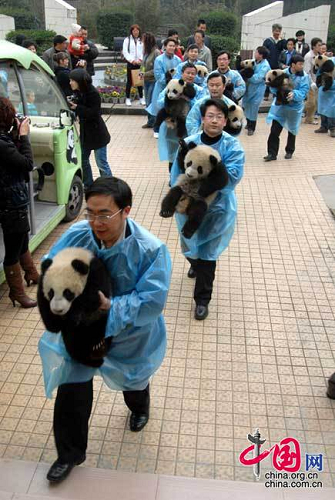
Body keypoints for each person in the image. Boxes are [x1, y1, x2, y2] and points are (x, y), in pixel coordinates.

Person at [39, 176, 171, 483]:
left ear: (126, 210)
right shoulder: (78, 234)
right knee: (72, 388)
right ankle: (69, 453)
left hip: (130, 334)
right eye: (90, 213)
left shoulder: (151, 249)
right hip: (83, 332)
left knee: (133, 380)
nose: (95, 222)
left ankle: (139, 407)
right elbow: (51, 264)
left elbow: (151, 302)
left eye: (104, 214)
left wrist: (110, 308)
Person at [170, 98, 244, 320]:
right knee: (189, 247)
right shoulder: (189, 143)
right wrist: (179, 198)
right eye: (210, 116)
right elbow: (177, 173)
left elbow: (231, 177)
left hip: (218, 209)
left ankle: (202, 300)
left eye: (219, 117)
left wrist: (206, 179)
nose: (214, 120)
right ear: (202, 119)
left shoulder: (232, 146)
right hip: (189, 207)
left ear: (225, 121)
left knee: (208, 255)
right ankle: (195, 263)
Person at [0, 97, 39, 308]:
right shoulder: (1, 143)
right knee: (13, 247)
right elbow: (27, 164)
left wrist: (15, 134)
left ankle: (31, 274)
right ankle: (17, 293)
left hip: (12, 198)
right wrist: (24, 136)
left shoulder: (3, 139)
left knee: (22, 236)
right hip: (10, 201)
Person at [157, 62, 204, 176]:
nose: (190, 76)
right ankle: (172, 177)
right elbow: (159, 102)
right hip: (173, 127)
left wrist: (188, 99)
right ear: (182, 73)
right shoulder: (173, 84)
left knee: (189, 153)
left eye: (193, 73)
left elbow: (202, 106)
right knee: (173, 154)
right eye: (187, 73)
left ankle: (185, 177)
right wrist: (172, 97)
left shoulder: (199, 89)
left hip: (191, 128)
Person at [68, 69, 112, 189]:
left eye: (72, 80)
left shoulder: (93, 93)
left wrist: (77, 107)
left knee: (101, 163)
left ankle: (109, 187)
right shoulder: (78, 92)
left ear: (80, 81)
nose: (70, 83)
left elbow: (94, 113)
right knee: (83, 160)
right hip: (85, 134)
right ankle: (88, 184)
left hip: (98, 134)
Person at [264, 54, 310, 161]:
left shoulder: (304, 76)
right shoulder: (282, 73)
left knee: (292, 130)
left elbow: (304, 92)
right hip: (280, 107)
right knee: (274, 130)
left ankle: (289, 150)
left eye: (302, 64)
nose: (302, 66)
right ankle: (272, 153)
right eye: (300, 64)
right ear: (293, 64)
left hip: (295, 107)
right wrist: (279, 92)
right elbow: (273, 87)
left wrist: (294, 94)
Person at [146, 37, 180, 139]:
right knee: (159, 108)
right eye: (170, 45)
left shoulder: (178, 59)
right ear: (165, 47)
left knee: (172, 109)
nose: (172, 47)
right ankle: (156, 129)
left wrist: (175, 85)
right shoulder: (159, 59)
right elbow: (158, 75)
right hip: (161, 87)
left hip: (174, 89)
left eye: (173, 46)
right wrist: (168, 82)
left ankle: (170, 129)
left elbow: (178, 74)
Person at [243, 46, 270, 135]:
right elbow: (246, 65)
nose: (255, 54)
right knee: (246, 105)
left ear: (261, 55)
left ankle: (252, 127)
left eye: (256, 52)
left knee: (254, 107)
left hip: (258, 89)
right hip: (249, 88)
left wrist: (248, 77)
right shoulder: (253, 61)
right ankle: (248, 122)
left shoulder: (265, 66)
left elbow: (258, 78)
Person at [122, 24, 145, 107]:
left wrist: (140, 60)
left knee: (140, 81)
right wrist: (132, 60)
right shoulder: (127, 40)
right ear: (131, 31)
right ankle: (127, 98)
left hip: (140, 64)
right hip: (131, 64)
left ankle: (141, 98)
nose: (136, 32)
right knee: (129, 81)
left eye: (137, 30)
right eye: (134, 30)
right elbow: (125, 52)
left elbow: (144, 51)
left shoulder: (141, 40)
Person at [141, 32, 161, 129]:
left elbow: (157, 68)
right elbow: (143, 64)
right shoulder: (146, 52)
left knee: (151, 102)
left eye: (143, 41)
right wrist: (141, 72)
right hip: (146, 80)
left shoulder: (156, 52)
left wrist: (146, 74)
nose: (142, 42)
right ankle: (150, 121)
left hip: (153, 81)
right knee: (147, 101)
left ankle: (153, 122)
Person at [263, 23, 287, 100]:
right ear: (272, 31)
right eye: (276, 31)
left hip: (278, 63)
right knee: (268, 78)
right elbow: (264, 51)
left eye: (279, 31)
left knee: (277, 79)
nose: (277, 33)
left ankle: (275, 95)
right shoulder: (268, 41)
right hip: (269, 62)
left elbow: (285, 48)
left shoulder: (282, 41)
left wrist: (283, 39)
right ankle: (266, 95)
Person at [303, 37, 322, 124]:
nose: (320, 47)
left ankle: (309, 119)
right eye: (319, 45)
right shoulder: (308, 56)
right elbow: (307, 71)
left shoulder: (318, 56)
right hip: (310, 82)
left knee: (315, 102)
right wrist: (311, 83)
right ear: (314, 46)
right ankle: (296, 109)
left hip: (317, 81)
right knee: (311, 102)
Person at [315, 62, 335, 137]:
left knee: (331, 112)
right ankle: (324, 127)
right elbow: (318, 82)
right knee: (323, 110)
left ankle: (332, 128)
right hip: (324, 95)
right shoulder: (322, 73)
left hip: (331, 94)